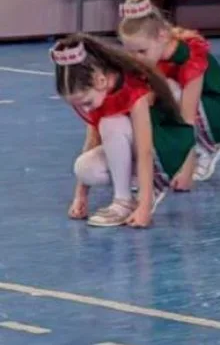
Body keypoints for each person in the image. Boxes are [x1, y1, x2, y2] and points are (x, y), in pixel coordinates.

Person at [53, 34, 194, 229]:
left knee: (111, 124)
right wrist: (80, 195)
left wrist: (145, 207)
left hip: (163, 149)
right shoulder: (99, 93)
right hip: (138, 150)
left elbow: (145, 150)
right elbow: (92, 141)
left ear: (101, 80)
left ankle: (126, 200)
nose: (86, 109)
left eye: (86, 102)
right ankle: (135, 188)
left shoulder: (133, 89)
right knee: (85, 168)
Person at [117, 0, 220, 188]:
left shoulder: (188, 57)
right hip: (188, 102)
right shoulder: (153, 53)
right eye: (130, 52)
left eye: (141, 51)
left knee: (169, 90)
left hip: (217, 109)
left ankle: (207, 146)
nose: (136, 59)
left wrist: (186, 171)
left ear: (162, 36)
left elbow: (187, 118)